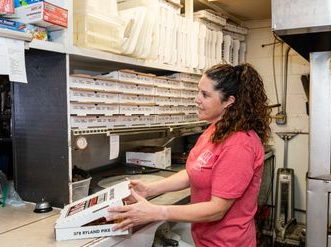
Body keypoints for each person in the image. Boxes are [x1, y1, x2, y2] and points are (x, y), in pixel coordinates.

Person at [106, 63, 271, 247]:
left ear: (229, 101)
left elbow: (217, 210)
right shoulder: (215, 129)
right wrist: (150, 189)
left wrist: (157, 212)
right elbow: (195, 170)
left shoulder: (240, 144)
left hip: (228, 243)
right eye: (198, 91)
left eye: (205, 95)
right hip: (205, 239)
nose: (196, 99)